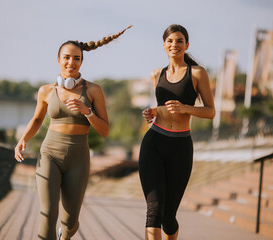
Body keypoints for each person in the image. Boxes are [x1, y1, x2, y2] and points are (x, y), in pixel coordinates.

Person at [14, 25, 132, 240]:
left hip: (79, 157)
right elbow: (38, 119)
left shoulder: (93, 91)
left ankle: (64, 235)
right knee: (47, 213)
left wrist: (88, 112)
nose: (71, 62)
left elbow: (105, 130)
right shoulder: (46, 91)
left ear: (81, 61)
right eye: (66, 57)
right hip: (49, 153)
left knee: (70, 222)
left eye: (76, 58)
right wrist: (23, 139)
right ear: (58, 60)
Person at [139, 24, 215, 240]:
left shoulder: (197, 73)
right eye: (170, 41)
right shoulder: (156, 74)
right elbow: (162, 107)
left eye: (180, 40)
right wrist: (153, 112)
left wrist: (185, 108)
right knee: (153, 210)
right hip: (154, 142)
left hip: (180, 148)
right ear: (164, 45)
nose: (175, 44)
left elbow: (210, 112)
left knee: (168, 217)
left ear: (187, 45)